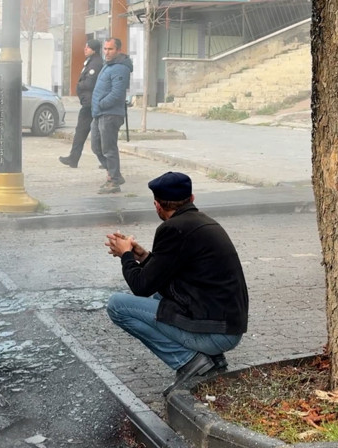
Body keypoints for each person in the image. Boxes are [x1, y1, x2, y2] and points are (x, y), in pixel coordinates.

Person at [104, 172, 249, 396]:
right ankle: (212, 359)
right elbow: (166, 271)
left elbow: (141, 286)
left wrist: (126, 256)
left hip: (217, 333)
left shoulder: (172, 229)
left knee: (117, 305)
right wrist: (141, 256)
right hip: (227, 326)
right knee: (160, 298)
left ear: (157, 205)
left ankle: (190, 362)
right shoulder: (202, 222)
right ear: (192, 198)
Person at [91, 38, 133, 194]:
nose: (106, 52)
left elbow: (117, 93)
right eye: (105, 49)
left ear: (118, 50)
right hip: (99, 114)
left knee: (109, 149)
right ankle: (115, 175)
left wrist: (101, 103)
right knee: (96, 147)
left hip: (109, 114)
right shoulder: (108, 65)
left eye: (110, 49)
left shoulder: (120, 68)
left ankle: (114, 181)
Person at [59, 39, 103, 168]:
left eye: (87, 47)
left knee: (83, 132)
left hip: (90, 104)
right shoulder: (92, 61)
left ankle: (74, 159)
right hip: (88, 103)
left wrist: (79, 85)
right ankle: (75, 158)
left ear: (93, 50)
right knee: (89, 132)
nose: (85, 49)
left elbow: (90, 83)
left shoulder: (95, 63)